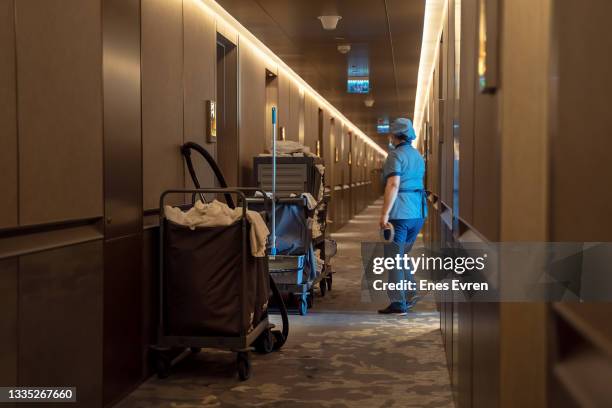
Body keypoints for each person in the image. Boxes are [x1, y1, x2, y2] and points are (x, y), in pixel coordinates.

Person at [378, 118, 427, 315]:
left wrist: (384, 214)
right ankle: (411, 292)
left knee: (393, 258)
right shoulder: (418, 156)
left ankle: (398, 302)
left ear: (395, 135)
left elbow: (393, 185)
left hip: (400, 213)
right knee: (402, 255)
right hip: (418, 213)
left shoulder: (395, 155)